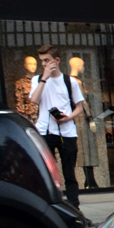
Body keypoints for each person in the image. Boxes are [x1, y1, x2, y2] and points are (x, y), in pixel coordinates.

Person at [28, 44, 84, 207]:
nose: (44, 64)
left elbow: (80, 107)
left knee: (69, 174)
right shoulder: (37, 80)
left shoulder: (70, 81)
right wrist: (44, 78)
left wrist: (68, 118)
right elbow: (34, 100)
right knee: (47, 173)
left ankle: (74, 207)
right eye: (42, 61)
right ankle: (52, 206)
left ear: (57, 60)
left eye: (47, 60)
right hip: (44, 131)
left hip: (67, 132)